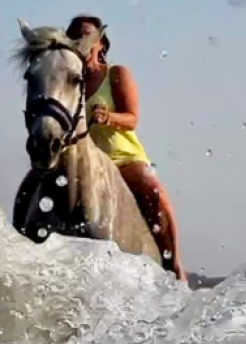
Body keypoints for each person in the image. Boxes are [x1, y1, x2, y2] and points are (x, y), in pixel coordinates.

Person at [66, 14, 186, 281]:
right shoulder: (71, 83)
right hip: (85, 162)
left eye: (87, 35)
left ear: (101, 44)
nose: (81, 41)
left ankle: (174, 265)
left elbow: (132, 118)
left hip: (122, 158)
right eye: (74, 37)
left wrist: (108, 117)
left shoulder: (116, 74)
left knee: (153, 191)